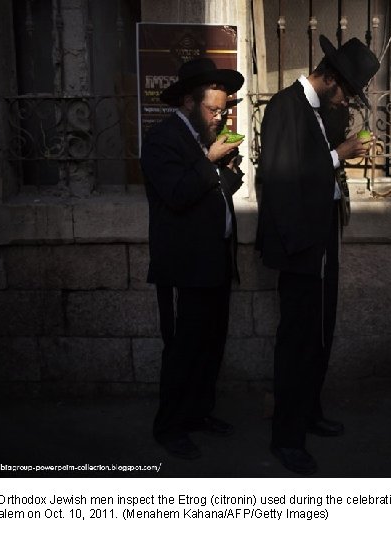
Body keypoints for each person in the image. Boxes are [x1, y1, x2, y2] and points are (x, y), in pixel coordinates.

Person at [255, 35, 380, 474]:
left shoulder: (321, 109)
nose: (348, 99)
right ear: (329, 77)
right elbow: (280, 175)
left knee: (321, 331)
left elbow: (315, 157)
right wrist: (339, 154)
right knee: (298, 340)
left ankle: (309, 412)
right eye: (347, 89)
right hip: (298, 244)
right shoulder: (284, 107)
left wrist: (339, 139)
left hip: (322, 235)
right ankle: (286, 438)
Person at [140, 58, 245, 458]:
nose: (219, 117)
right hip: (185, 264)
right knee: (183, 347)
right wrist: (209, 160)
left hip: (216, 260)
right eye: (212, 109)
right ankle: (169, 426)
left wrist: (229, 170)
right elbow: (179, 195)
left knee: (211, 344)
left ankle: (199, 413)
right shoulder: (163, 139)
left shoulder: (205, 137)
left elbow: (216, 193)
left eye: (223, 110)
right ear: (188, 101)